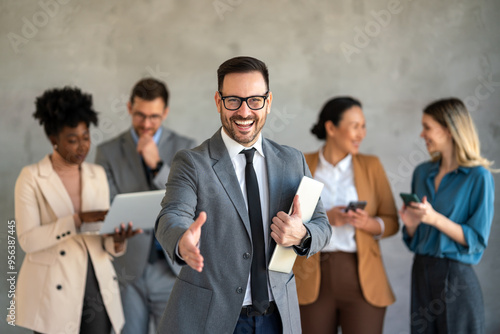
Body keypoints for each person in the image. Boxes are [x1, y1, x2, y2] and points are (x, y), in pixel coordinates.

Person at [154, 56, 332, 333]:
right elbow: (172, 214)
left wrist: (303, 234)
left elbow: (322, 225)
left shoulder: (292, 160)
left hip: (278, 318)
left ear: (268, 102)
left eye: (254, 100)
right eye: (233, 100)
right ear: (218, 102)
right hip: (214, 319)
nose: (244, 112)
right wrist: (181, 240)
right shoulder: (191, 162)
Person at [14, 87, 139, 334]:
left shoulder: (97, 174)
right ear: (53, 139)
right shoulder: (31, 178)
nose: (82, 147)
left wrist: (116, 240)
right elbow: (27, 240)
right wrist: (76, 220)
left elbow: (102, 240)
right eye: (72, 139)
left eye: (86, 136)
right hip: (53, 285)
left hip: (96, 281)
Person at [95, 78, 196, 333]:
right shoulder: (107, 152)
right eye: (140, 115)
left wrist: (158, 166)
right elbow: (107, 206)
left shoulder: (186, 148)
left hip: (173, 266)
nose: (146, 124)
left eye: (154, 116)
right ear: (129, 108)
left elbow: (190, 199)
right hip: (128, 269)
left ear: (165, 113)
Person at [293, 97, 399, 334]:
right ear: (331, 128)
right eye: (355, 126)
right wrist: (325, 219)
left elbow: (392, 222)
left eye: (363, 126)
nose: (361, 133)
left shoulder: (371, 166)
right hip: (311, 276)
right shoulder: (301, 163)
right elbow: (285, 220)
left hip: (362, 278)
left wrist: (369, 223)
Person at [400, 98, 495, 334]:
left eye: (427, 127)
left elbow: (476, 239)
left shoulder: (479, 177)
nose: (422, 134)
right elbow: (415, 239)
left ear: (449, 130)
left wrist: (435, 219)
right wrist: (411, 226)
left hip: (456, 279)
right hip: (421, 270)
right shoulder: (421, 172)